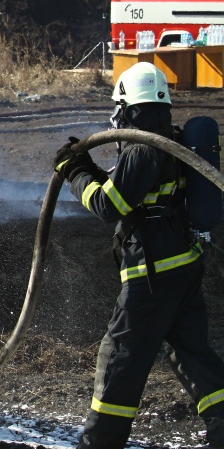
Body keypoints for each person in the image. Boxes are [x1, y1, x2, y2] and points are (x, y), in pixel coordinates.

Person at [53, 61, 224, 449]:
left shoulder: (142, 146)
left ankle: (100, 441)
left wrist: (75, 171)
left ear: (128, 107)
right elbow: (129, 193)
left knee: (121, 356)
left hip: (153, 271)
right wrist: (87, 167)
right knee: (192, 352)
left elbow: (108, 205)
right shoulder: (169, 136)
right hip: (182, 262)